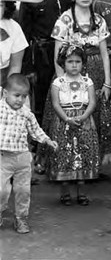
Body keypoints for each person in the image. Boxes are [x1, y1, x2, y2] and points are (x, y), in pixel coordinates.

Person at [45, 0, 111, 165]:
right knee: (67, 115)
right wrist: (62, 84)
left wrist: (107, 81)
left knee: (96, 116)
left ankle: (91, 162)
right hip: (71, 72)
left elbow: (105, 53)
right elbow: (57, 56)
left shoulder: (99, 20)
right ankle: (66, 163)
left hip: (95, 74)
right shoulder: (65, 20)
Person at [17, 0, 87, 124]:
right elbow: (23, 32)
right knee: (40, 97)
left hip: (66, 51)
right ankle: (40, 143)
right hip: (41, 54)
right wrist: (28, 67)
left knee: (66, 95)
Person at [0, 74, 58, 234]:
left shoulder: (26, 113)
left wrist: (47, 140)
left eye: (24, 96)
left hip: (22, 158)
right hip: (3, 158)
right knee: (2, 190)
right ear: (5, 93)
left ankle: (21, 218)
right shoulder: (1, 108)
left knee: (23, 190)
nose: (20, 100)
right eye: (16, 95)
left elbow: (35, 130)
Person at [47, 45, 98, 206]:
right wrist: (66, 119)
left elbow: (92, 102)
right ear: (63, 63)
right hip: (64, 122)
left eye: (78, 61)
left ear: (83, 63)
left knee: (83, 154)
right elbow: (55, 104)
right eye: (70, 61)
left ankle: (82, 193)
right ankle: (65, 192)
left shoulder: (87, 81)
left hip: (84, 120)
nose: (74, 65)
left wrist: (84, 116)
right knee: (64, 154)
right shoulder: (58, 82)